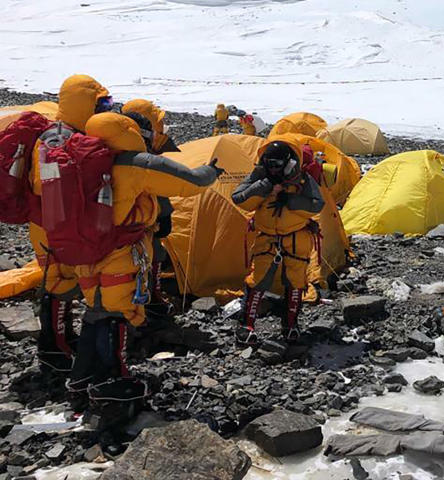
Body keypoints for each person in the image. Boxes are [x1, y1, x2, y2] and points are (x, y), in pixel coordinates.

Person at [67, 113, 220, 422]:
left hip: (83, 253)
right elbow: (189, 181)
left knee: (95, 313)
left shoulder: (76, 162)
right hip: (118, 252)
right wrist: (212, 171)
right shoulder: (134, 163)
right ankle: (116, 382)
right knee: (118, 314)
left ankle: (81, 384)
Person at [29, 75, 113, 373]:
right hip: (50, 223)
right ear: (83, 104)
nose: (105, 109)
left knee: (66, 282)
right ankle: (54, 349)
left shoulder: (69, 134)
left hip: (58, 222)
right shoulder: (56, 138)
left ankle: (63, 341)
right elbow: (44, 185)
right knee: (58, 284)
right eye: (101, 103)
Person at [232, 137, 323, 345]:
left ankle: (291, 324)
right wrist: (264, 186)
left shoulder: (303, 179)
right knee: (258, 280)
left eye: (277, 165)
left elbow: (317, 204)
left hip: (296, 238)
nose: (273, 169)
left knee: (296, 282)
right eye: (269, 164)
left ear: (289, 162)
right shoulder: (261, 174)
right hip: (267, 237)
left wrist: (290, 201)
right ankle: (246, 325)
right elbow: (238, 197)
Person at [121, 102, 180, 317]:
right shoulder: (143, 156)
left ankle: (143, 301)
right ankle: (147, 303)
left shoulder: (121, 148)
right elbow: (156, 188)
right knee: (149, 255)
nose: (162, 128)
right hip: (142, 221)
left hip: (133, 220)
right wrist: (164, 214)